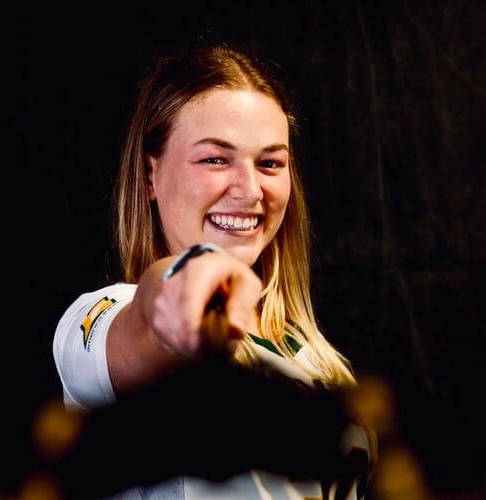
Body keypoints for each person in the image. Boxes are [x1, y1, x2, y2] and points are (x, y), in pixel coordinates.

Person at [53, 44, 371, 499]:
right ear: (149, 177)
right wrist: (185, 299)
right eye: (215, 159)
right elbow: (150, 321)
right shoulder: (100, 318)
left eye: (270, 163)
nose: (249, 190)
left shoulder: (315, 357)